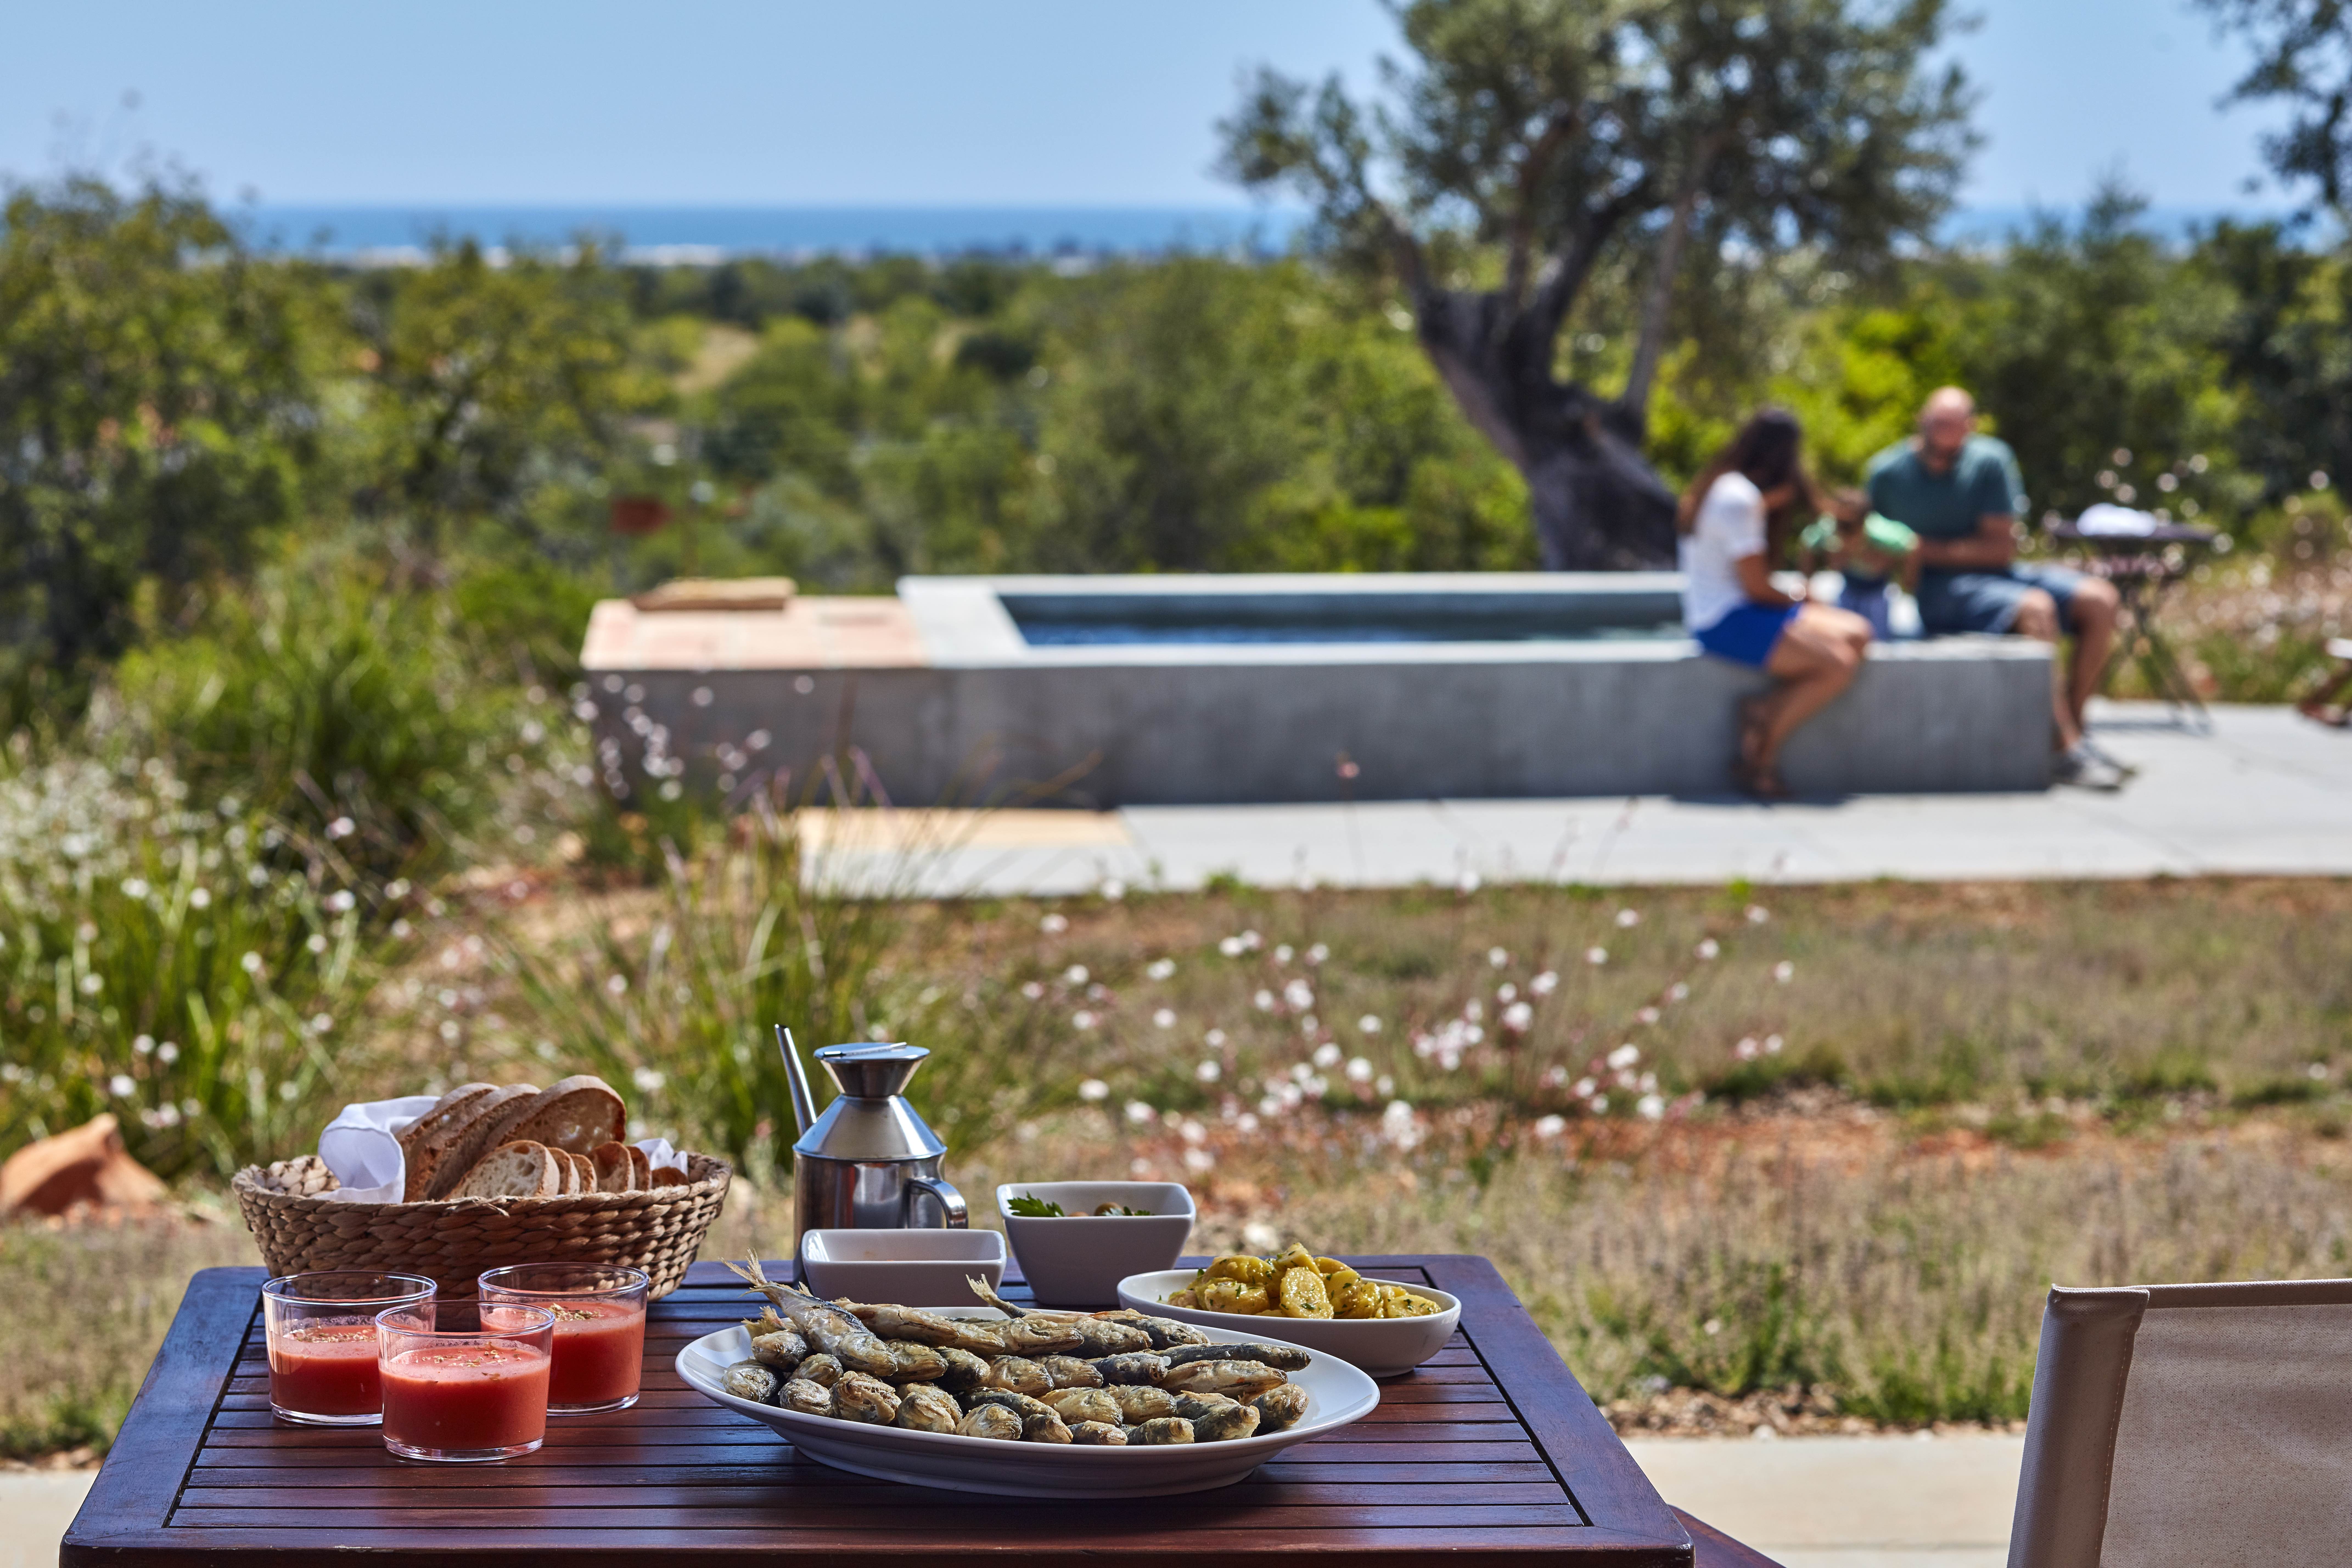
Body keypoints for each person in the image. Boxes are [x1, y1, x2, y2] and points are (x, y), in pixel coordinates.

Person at [1866, 388, 2125, 789]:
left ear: (1969, 428)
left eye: (1954, 429)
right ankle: (2065, 749)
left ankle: (2071, 734)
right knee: (2035, 608)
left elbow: (1999, 549)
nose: (1943, 443)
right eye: (1937, 427)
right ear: (1922, 422)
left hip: (1998, 575)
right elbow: (1869, 543)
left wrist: (1922, 548)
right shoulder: (1885, 473)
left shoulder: (1990, 461)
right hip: (1939, 590)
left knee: (2100, 600)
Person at [1679, 408, 1874, 799]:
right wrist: (1801, 596)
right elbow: (1755, 588)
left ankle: (1763, 709)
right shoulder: (1739, 500)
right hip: (1725, 619)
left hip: (1738, 609)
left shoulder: (1726, 488)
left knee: (1857, 632)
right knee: (1837, 665)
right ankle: (1761, 760)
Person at [1799, 488, 1919, 640]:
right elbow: (1808, 544)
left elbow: (1912, 545)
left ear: (1864, 522)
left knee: (1879, 640)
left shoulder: (1880, 534)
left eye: (1849, 526)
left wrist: (1907, 585)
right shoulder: (1829, 529)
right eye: (1840, 524)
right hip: (1848, 587)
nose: (1843, 530)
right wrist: (1807, 585)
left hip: (1877, 592)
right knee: (1841, 635)